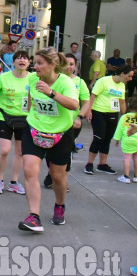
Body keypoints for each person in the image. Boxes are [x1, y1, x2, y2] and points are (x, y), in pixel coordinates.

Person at [18, 48, 78, 232]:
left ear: (52, 65)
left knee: (58, 177)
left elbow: (74, 104)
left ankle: (60, 205)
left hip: (60, 134)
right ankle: (34, 216)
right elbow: (30, 99)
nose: (34, 66)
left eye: (39, 63)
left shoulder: (65, 82)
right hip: (34, 129)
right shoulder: (32, 78)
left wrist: (51, 93)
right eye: (34, 62)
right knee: (29, 170)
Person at [42, 53, 90, 188]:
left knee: (66, 151)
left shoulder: (80, 82)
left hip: (72, 123)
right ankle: (52, 173)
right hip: (50, 121)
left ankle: (63, 180)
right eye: (66, 64)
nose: (68, 67)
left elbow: (86, 102)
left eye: (72, 64)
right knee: (49, 149)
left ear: (76, 67)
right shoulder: (52, 79)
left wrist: (80, 117)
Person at [0, 51, 32, 195]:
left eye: (25, 58)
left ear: (29, 63)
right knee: (5, 150)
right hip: (5, 116)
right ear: (13, 62)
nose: (22, 60)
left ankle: (13, 182)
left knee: (19, 152)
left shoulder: (34, 78)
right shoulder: (4, 77)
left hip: (25, 118)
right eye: (18, 58)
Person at [83, 64, 134, 175]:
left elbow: (122, 102)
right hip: (99, 112)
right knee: (98, 137)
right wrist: (88, 111)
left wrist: (125, 116)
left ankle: (102, 164)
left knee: (107, 139)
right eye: (129, 76)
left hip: (113, 113)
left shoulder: (122, 85)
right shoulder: (104, 81)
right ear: (122, 74)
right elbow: (93, 96)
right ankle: (89, 164)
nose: (130, 79)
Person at [113, 98, 137, 183]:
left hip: (127, 140)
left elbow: (119, 129)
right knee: (136, 158)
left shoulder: (124, 117)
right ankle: (136, 176)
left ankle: (126, 176)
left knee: (127, 158)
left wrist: (117, 139)